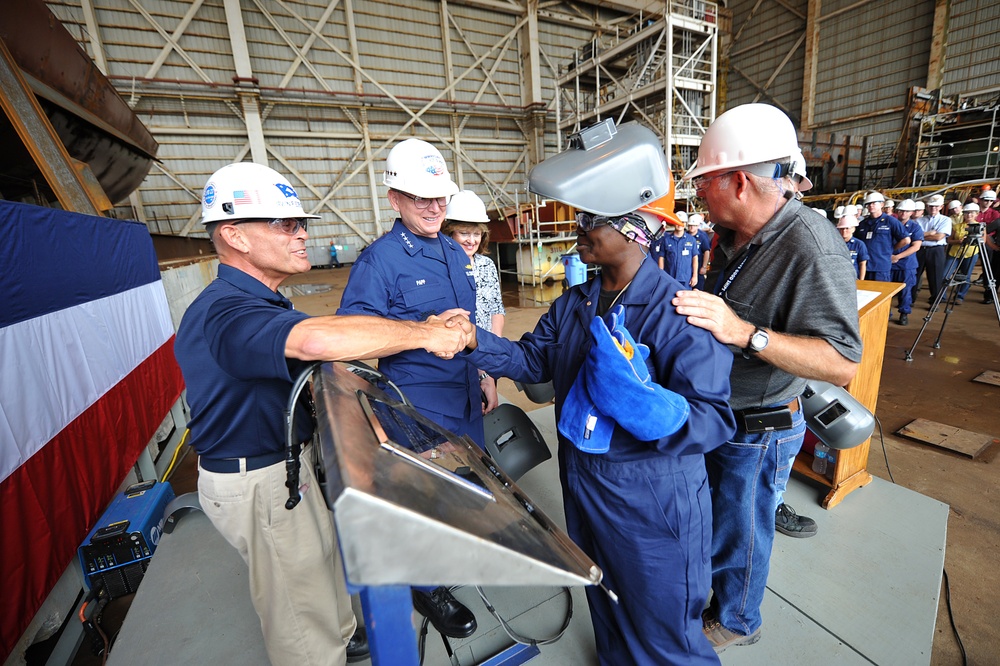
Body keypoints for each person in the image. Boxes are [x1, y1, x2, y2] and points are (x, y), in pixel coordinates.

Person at [454, 121, 736, 665]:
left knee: (664, 628)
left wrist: (653, 409)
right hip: (583, 483)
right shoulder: (575, 303)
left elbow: (713, 421)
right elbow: (533, 361)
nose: (579, 228)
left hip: (651, 498)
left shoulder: (679, 315)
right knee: (603, 597)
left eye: (593, 220)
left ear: (633, 229)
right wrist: (474, 341)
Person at [174, 162, 470, 666]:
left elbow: (324, 342)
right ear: (235, 236)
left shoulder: (264, 301)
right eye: (286, 225)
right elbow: (317, 340)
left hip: (286, 464)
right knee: (300, 617)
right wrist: (426, 335)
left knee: (319, 570)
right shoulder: (226, 310)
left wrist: (420, 322)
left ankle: (340, 633)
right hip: (260, 480)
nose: (303, 235)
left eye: (301, 223)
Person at [672, 103, 863, 652]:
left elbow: (841, 361)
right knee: (717, 524)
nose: (700, 196)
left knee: (743, 531)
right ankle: (714, 600)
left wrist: (744, 333)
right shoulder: (733, 237)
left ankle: (736, 620)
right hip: (721, 414)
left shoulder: (811, 244)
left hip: (758, 429)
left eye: (705, 183)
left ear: (737, 181)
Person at [336, 137, 480, 639]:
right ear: (395, 199)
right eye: (422, 197)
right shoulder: (379, 262)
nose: (436, 206)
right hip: (416, 409)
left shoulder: (454, 252)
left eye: (441, 196)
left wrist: (481, 375)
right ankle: (428, 586)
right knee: (422, 500)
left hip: (464, 400)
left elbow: (470, 326)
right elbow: (350, 337)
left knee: (461, 489)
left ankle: (450, 559)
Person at [443, 189, 504, 413]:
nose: (472, 240)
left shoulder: (487, 266)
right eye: (464, 233)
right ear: (449, 234)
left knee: (488, 410)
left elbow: (496, 309)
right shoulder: (442, 268)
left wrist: (493, 354)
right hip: (458, 357)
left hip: (486, 354)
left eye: (476, 233)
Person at [856, 191, 910, 281]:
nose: (871, 205)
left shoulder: (891, 221)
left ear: (882, 204)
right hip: (863, 266)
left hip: (881, 267)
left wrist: (890, 249)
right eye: (868, 204)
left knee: (880, 293)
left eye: (874, 203)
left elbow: (906, 240)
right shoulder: (863, 224)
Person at [912, 196, 951, 305]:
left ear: (941, 207)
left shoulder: (945, 220)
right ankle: (910, 299)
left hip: (936, 250)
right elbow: (914, 236)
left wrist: (922, 235)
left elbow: (938, 237)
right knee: (914, 274)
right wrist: (930, 233)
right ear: (927, 207)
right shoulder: (919, 220)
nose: (933, 208)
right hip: (919, 249)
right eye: (931, 206)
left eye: (936, 206)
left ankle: (935, 302)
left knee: (935, 277)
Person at [890, 199, 923, 325]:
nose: (903, 213)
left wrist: (898, 256)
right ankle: (887, 313)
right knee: (887, 290)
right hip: (889, 263)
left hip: (906, 265)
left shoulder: (915, 227)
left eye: (907, 211)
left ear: (912, 213)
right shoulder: (891, 224)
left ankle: (904, 313)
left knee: (905, 291)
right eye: (901, 210)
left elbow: (916, 246)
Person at [944, 202, 982, 304]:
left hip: (970, 253)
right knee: (945, 274)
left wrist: (972, 240)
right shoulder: (957, 226)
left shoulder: (980, 227)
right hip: (955, 253)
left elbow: (983, 241)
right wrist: (958, 241)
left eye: (971, 213)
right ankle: (942, 296)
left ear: (977, 214)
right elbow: (949, 240)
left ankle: (959, 296)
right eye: (966, 213)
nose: (968, 215)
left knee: (966, 276)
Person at [655, 214, 699, 287]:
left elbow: (695, 258)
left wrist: (695, 276)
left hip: (686, 278)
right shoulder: (666, 240)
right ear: (674, 223)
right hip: (669, 277)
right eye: (677, 222)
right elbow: (661, 258)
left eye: (682, 222)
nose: (679, 224)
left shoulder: (691, 240)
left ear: (685, 224)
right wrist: (661, 274)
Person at [838, 212, 868, 279]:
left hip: (853, 279)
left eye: (847, 228)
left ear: (853, 229)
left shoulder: (859, 244)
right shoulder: (835, 243)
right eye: (842, 228)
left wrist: (861, 281)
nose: (844, 231)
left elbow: (862, 264)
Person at [688, 214, 712, 290]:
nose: (692, 227)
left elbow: (706, 251)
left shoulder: (702, 236)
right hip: (687, 267)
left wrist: (704, 266)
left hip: (698, 266)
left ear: (698, 226)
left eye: (694, 225)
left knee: (698, 288)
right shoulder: (685, 235)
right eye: (690, 225)